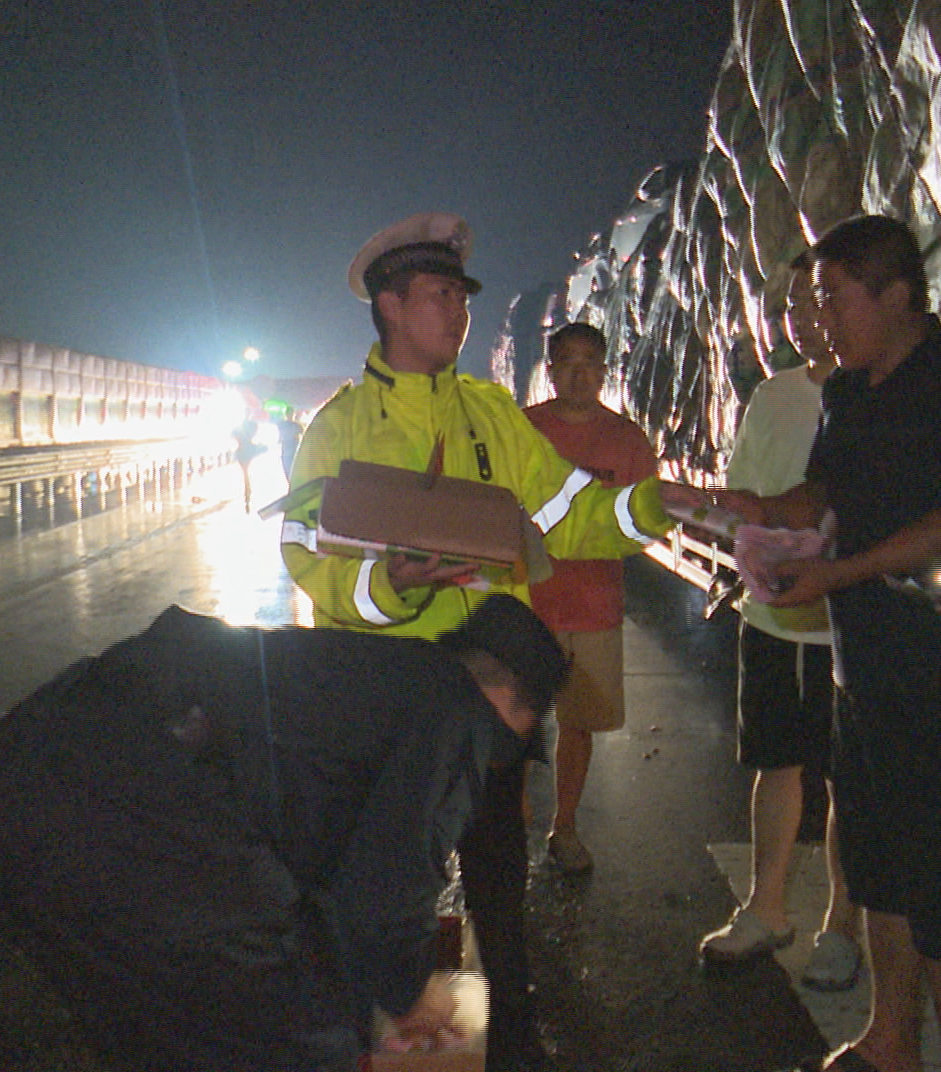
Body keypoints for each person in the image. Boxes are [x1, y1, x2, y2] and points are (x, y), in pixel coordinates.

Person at [279, 212, 701, 1067]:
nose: (459, 312)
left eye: (463, 297)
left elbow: (572, 513)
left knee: (499, 888)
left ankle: (511, 1041)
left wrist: (661, 506)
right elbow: (305, 555)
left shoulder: (491, 415)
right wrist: (388, 586)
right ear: (391, 305)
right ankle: (383, 1042)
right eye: (440, 295)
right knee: (384, 897)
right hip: (384, 701)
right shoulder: (341, 426)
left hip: (487, 693)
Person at [0, 595, 568, 1072]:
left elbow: (328, 868)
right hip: (114, 807)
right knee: (305, 1038)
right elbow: (384, 895)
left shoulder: (379, 679)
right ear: (510, 699)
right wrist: (416, 990)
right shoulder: (455, 713)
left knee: (170, 1033)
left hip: (21, 786)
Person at [720, 216, 941, 1072]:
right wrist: (751, 506)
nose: (820, 318)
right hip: (862, 671)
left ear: (894, 293)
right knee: (880, 862)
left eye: (831, 297)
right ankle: (892, 1038)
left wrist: (843, 573)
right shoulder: (848, 392)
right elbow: (824, 493)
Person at [697, 256, 865, 993]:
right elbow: (750, 494)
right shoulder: (771, 396)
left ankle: (842, 926)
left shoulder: (877, 393)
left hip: (848, 620)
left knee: (850, 780)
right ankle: (767, 909)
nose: (802, 314)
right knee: (775, 762)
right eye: (792, 301)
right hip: (771, 615)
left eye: (817, 298)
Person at [521, 321, 660, 876]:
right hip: (526, 605)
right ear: (551, 370)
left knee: (578, 725)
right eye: (567, 362)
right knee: (515, 724)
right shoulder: (523, 431)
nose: (580, 373)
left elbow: (644, 520)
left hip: (594, 606)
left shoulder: (626, 439)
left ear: (605, 371)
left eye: (590, 362)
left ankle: (566, 826)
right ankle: (510, 825)